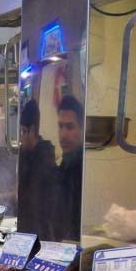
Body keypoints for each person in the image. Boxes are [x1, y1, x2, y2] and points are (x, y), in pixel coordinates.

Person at [17, 99, 57, 238]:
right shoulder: (26, 153)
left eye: (23, 132)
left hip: (38, 233)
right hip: (26, 226)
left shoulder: (43, 158)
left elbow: (33, 200)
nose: (21, 138)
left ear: (33, 130)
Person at [52, 95, 85, 242]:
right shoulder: (65, 163)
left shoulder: (84, 167)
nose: (63, 135)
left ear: (83, 128)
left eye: (70, 127)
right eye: (60, 126)